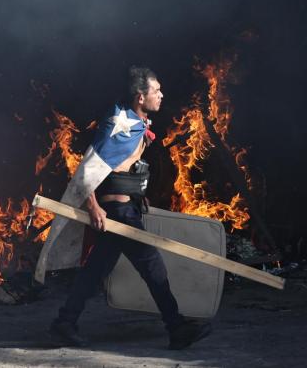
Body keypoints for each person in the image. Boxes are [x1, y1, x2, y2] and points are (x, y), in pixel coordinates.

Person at [49, 66, 212, 350]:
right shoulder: (119, 126)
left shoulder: (136, 122)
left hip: (127, 209)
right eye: (156, 90)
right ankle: (176, 328)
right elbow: (88, 169)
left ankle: (65, 321)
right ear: (140, 96)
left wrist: (137, 194)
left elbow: (123, 168)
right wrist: (93, 207)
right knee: (153, 267)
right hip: (119, 214)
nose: (161, 95)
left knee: (97, 270)